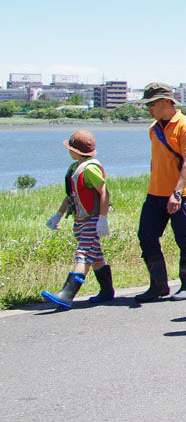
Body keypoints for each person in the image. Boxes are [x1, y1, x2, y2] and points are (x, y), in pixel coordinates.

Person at [134, 82, 186, 302]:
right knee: (146, 236)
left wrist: (177, 193)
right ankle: (159, 285)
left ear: (166, 102)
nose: (149, 109)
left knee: (184, 239)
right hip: (155, 193)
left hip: (181, 194)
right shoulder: (154, 129)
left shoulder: (185, 125)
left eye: (152, 104)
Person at [41, 130, 113, 309]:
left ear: (76, 151)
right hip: (80, 219)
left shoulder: (90, 168)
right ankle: (107, 291)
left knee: (83, 254)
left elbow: (104, 192)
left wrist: (102, 219)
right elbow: (71, 195)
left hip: (91, 219)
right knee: (96, 255)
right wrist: (57, 215)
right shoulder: (75, 168)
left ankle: (67, 294)